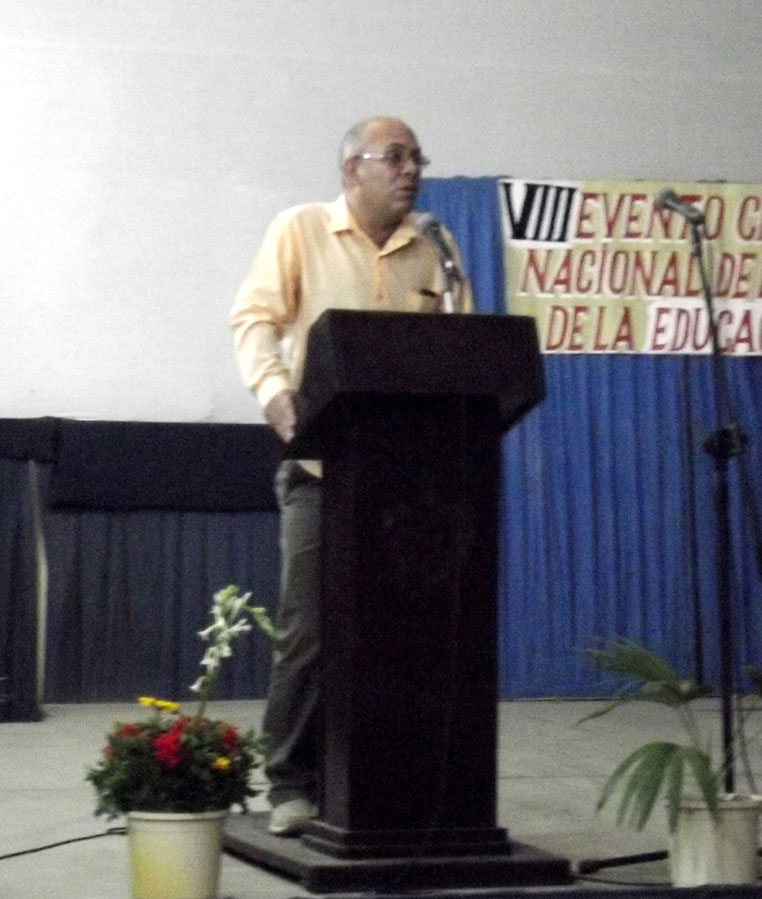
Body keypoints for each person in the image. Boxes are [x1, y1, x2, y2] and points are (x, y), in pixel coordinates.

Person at [230, 116, 473, 836]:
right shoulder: (301, 229)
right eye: (393, 158)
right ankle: (290, 782)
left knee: (406, 630)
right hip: (324, 468)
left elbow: (462, 349)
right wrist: (279, 399)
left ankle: (388, 776)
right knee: (310, 629)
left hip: (412, 482)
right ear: (350, 170)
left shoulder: (434, 249)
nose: (411, 171)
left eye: (416, 158)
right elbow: (252, 319)